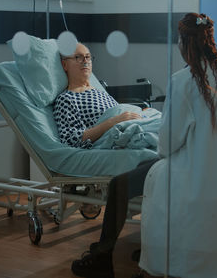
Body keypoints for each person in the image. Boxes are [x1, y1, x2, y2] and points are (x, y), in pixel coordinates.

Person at [138, 13, 217, 278]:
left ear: (183, 43)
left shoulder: (182, 82)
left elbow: (167, 144)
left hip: (197, 180)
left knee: (153, 176)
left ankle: (161, 265)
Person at [53, 43, 158, 278]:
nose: (85, 61)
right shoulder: (66, 100)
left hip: (136, 121)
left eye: (88, 57)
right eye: (78, 57)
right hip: (118, 131)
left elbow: (122, 115)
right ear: (64, 65)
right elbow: (73, 139)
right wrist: (114, 122)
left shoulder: (100, 93)